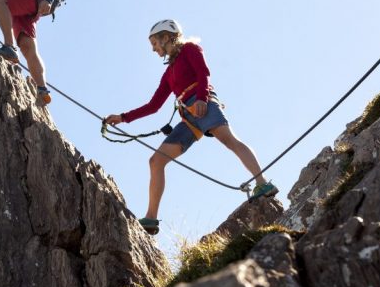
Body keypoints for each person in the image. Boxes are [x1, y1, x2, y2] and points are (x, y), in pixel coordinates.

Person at [102, 20, 277, 235]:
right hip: (188, 117)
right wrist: (122, 117)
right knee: (156, 161)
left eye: (155, 42)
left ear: (167, 37)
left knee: (229, 140)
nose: (153, 49)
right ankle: (151, 218)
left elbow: (203, 73)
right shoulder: (169, 73)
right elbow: (154, 105)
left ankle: (262, 182)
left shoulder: (190, 50)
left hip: (202, 104)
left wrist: (202, 99)